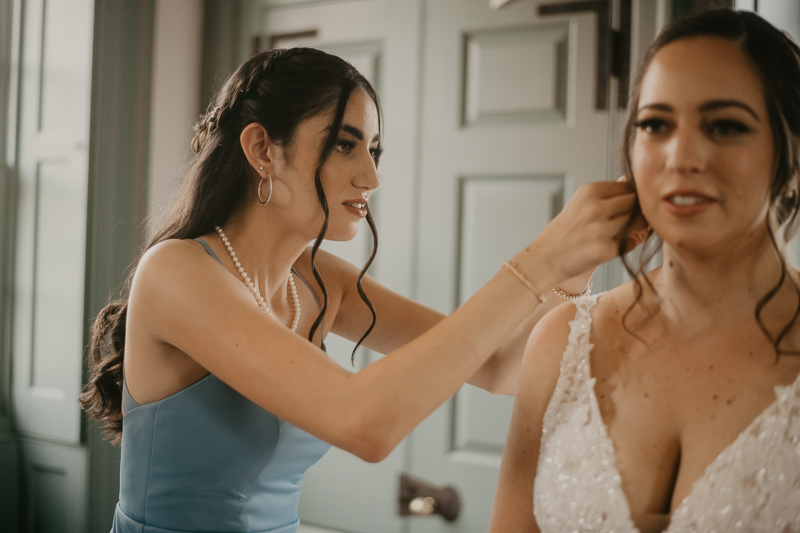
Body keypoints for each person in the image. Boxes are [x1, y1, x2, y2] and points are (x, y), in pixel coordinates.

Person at [80, 47, 640, 533]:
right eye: (346, 145)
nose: (370, 177)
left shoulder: (320, 284)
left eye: (373, 151)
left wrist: (576, 266)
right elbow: (364, 423)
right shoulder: (176, 272)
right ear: (261, 149)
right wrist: (541, 258)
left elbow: (498, 367)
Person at [490, 8, 800, 533]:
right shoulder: (563, 341)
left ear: (791, 157)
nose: (681, 156)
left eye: (725, 126)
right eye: (655, 124)